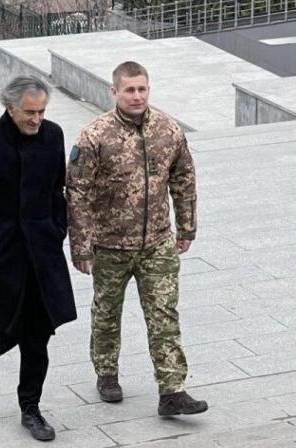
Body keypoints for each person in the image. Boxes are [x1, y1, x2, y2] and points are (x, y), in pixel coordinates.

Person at [66, 61, 207, 417]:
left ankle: (172, 390)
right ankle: (107, 373)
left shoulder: (167, 129)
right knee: (107, 313)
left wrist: (186, 227)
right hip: (109, 245)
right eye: (129, 89)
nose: (137, 96)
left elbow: (184, 177)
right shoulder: (94, 136)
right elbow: (77, 193)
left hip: (157, 243)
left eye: (142, 88)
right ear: (114, 92)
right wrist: (81, 246)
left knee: (164, 314)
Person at [0, 75, 77, 442]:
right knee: (10, 325)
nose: (37, 119)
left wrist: (59, 227)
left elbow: (58, 187)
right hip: (3, 250)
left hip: (42, 250)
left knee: (38, 334)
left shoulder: (53, 135)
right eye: (29, 112)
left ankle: (31, 409)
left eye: (41, 112)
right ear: (9, 107)